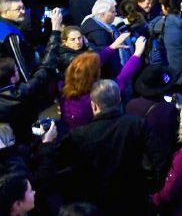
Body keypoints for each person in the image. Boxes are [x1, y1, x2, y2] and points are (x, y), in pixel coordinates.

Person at [56, 79, 169, 214]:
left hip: (98, 205)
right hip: (135, 200)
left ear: (94, 105)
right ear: (119, 99)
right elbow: (161, 158)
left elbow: (64, 171)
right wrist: (152, 187)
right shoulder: (137, 124)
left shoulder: (79, 135)